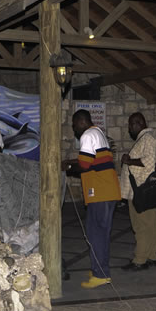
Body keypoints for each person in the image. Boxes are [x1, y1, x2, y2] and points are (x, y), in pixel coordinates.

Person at [62, 109, 121, 289]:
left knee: (97, 234)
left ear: (81, 122)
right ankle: (99, 269)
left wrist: (68, 167)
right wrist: (71, 162)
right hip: (108, 191)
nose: (74, 128)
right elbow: (89, 160)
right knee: (99, 232)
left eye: (74, 125)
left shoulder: (87, 135)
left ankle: (100, 274)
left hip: (100, 193)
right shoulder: (98, 132)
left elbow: (84, 165)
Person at [119, 112, 156, 272]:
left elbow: (149, 162)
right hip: (144, 191)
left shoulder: (148, 140)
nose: (129, 128)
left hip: (141, 191)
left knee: (141, 226)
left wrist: (128, 160)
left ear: (139, 123)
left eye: (131, 124)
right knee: (150, 224)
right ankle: (151, 255)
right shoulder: (147, 140)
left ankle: (140, 259)